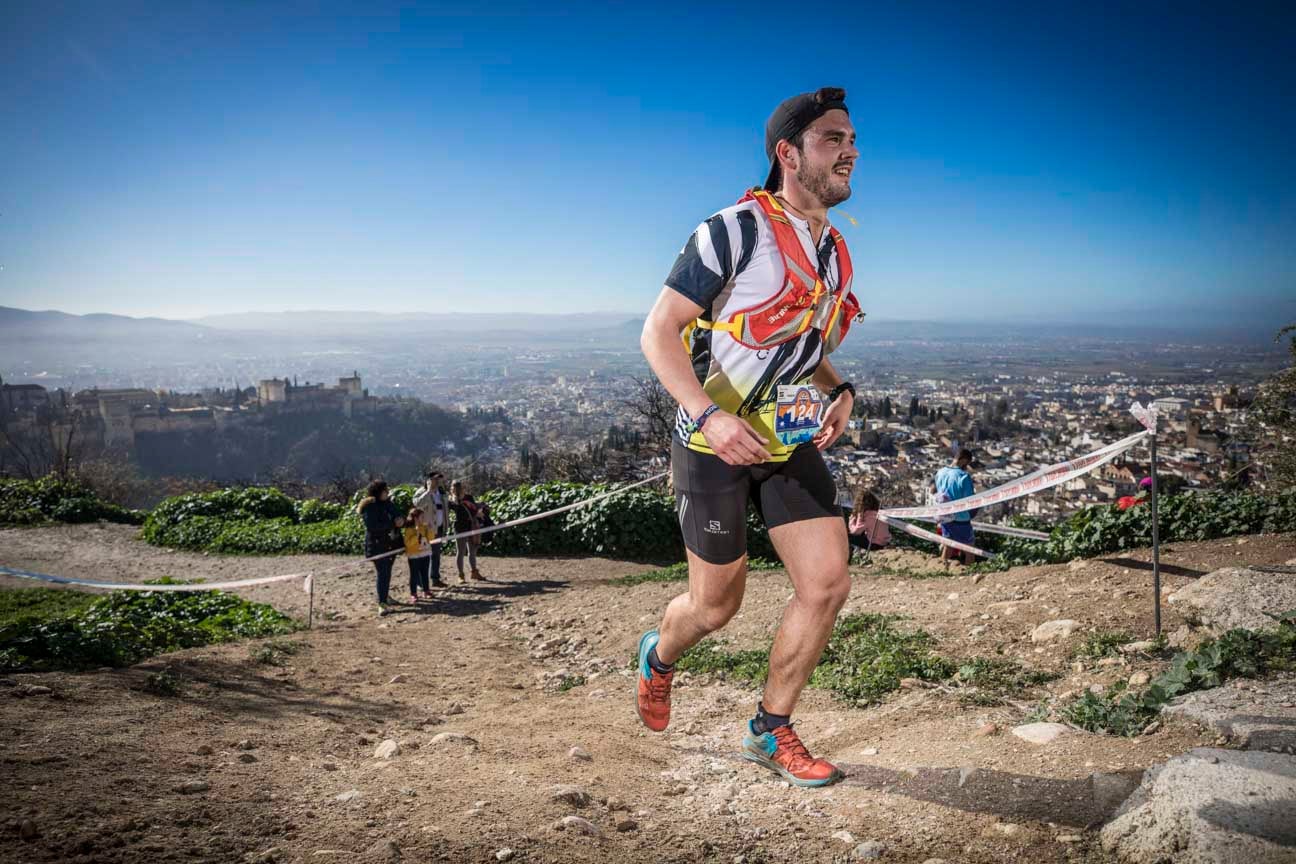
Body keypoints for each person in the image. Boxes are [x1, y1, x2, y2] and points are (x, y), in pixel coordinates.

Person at [636, 87, 862, 787]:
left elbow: (797, 340)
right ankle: (659, 656)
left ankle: (770, 729)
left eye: (853, 140)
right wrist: (710, 416)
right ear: (787, 153)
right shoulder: (732, 231)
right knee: (715, 605)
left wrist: (840, 389)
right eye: (833, 139)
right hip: (713, 443)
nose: (850, 151)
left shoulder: (831, 250)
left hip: (787, 439)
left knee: (826, 584)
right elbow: (658, 333)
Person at [357, 479, 405, 615]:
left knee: (387, 571)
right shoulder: (370, 506)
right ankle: (382, 603)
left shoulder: (388, 503)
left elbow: (397, 514)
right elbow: (372, 526)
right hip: (377, 546)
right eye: (385, 490)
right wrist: (392, 524)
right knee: (382, 572)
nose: (387, 492)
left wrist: (400, 520)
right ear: (378, 491)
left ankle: (385, 596)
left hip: (391, 544)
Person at [932, 449, 979, 565]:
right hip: (961, 518)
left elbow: (935, 491)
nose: (966, 466)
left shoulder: (940, 472)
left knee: (948, 545)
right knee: (969, 549)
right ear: (964, 460)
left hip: (945, 516)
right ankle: (970, 572)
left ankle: (942, 569)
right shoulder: (963, 476)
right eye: (967, 463)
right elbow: (969, 499)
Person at [413, 471, 449, 587]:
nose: (437, 482)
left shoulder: (442, 493)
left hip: (438, 528)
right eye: (435, 479)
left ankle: (435, 578)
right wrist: (428, 491)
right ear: (428, 480)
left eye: (439, 479)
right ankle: (420, 582)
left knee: (436, 555)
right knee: (423, 555)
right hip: (425, 530)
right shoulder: (421, 492)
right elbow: (418, 504)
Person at [449, 479, 484, 582]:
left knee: (472, 551)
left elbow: (474, 510)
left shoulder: (469, 497)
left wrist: (479, 512)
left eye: (459, 488)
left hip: (471, 526)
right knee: (461, 552)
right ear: (452, 489)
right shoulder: (451, 501)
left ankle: (474, 572)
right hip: (460, 528)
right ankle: (461, 575)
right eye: (456, 488)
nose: (459, 490)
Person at [402, 507, 435, 602]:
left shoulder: (424, 527)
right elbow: (408, 543)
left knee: (425, 574)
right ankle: (413, 593)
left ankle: (426, 591)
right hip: (414, 555)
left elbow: (430, 539)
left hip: (425, 554)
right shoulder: (409, 529)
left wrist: (430, 529)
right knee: (414, 575)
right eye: (422, 517)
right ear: (415, 518)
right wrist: (416, 533)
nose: (424, 519)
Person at [846, 488, 890, 553]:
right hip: (884, 542)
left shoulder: (867, 515)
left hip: (875, 545)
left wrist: (851, 522)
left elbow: (855, 532)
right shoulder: (879, 512)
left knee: (847, 536)